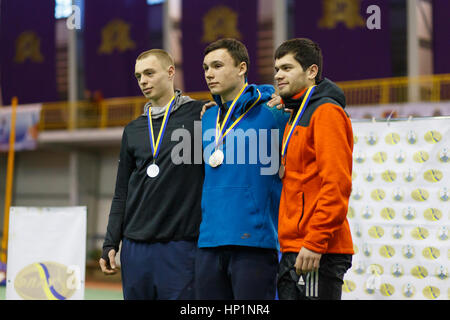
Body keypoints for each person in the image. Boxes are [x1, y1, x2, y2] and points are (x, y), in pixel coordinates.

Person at [99, 49, 205, 300]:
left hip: (181, 246)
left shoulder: (200, 115)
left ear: (170, 72)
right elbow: (121, 191)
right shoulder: (133, 129)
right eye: (138, 76)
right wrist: (111, 242)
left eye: (149, 73)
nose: (143, 81)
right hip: (135, 248)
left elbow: (242, 104)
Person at [195, 38, 289, 300]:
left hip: (254, 242)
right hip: (209, 242)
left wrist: (275, 95)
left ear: (241, 68)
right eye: (205, 68)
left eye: (217, 65)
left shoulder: (273, 110)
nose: (209, 74)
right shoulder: (209, 116)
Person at [273, 38, 354, 300]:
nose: (278, 75)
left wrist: (315, 242)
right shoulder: (296, 114)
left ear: (311, 72)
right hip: (295, 248)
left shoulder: (326, 112)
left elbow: (337, 184)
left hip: (317, 250)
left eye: (287, 68)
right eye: (276, 69)